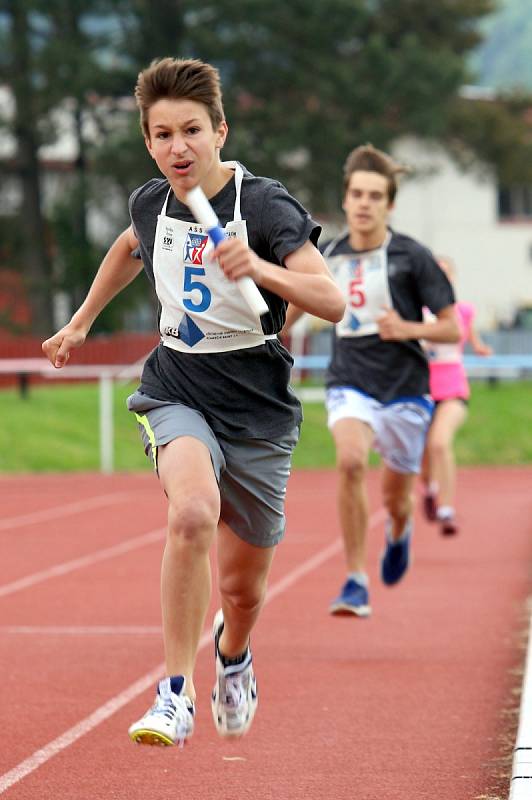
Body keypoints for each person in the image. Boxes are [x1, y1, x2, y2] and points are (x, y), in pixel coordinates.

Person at [41, 57, 344, 746]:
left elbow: (331, 300)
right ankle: (173, 694)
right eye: (163, 134)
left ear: (220, 132)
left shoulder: (263, 206)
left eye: (192, 131)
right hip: (178, 387)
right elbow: (129, 247)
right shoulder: (151, 202)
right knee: (191, 514)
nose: (179, 147)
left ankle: (232, 654)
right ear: (148, 142)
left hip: (258, 406)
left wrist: (257, 265)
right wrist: (82, 320)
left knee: (242, 594)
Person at [282, 144, 459, 618]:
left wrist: (409, 329)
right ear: (344, 200)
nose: (364, 203)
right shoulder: (328, 255)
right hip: (350, 379)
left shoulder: (412, 256)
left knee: (396, 499)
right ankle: (355, 579)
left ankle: (399, 532)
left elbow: (451, 327)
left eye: (375, 196)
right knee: (350, 462)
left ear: (390, 204)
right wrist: (267, 334)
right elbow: (292, 310)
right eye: (357, 194)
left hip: (405, 388)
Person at [420, 256, 493, 536]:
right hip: (422, 389)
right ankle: (430, 487)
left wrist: (481, 348)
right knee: (424, 459)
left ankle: (447, 509)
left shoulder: (463, 311)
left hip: (453, 388)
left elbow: (473, 340)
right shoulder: (416, 312)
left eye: (447, 273)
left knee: (440, 443)